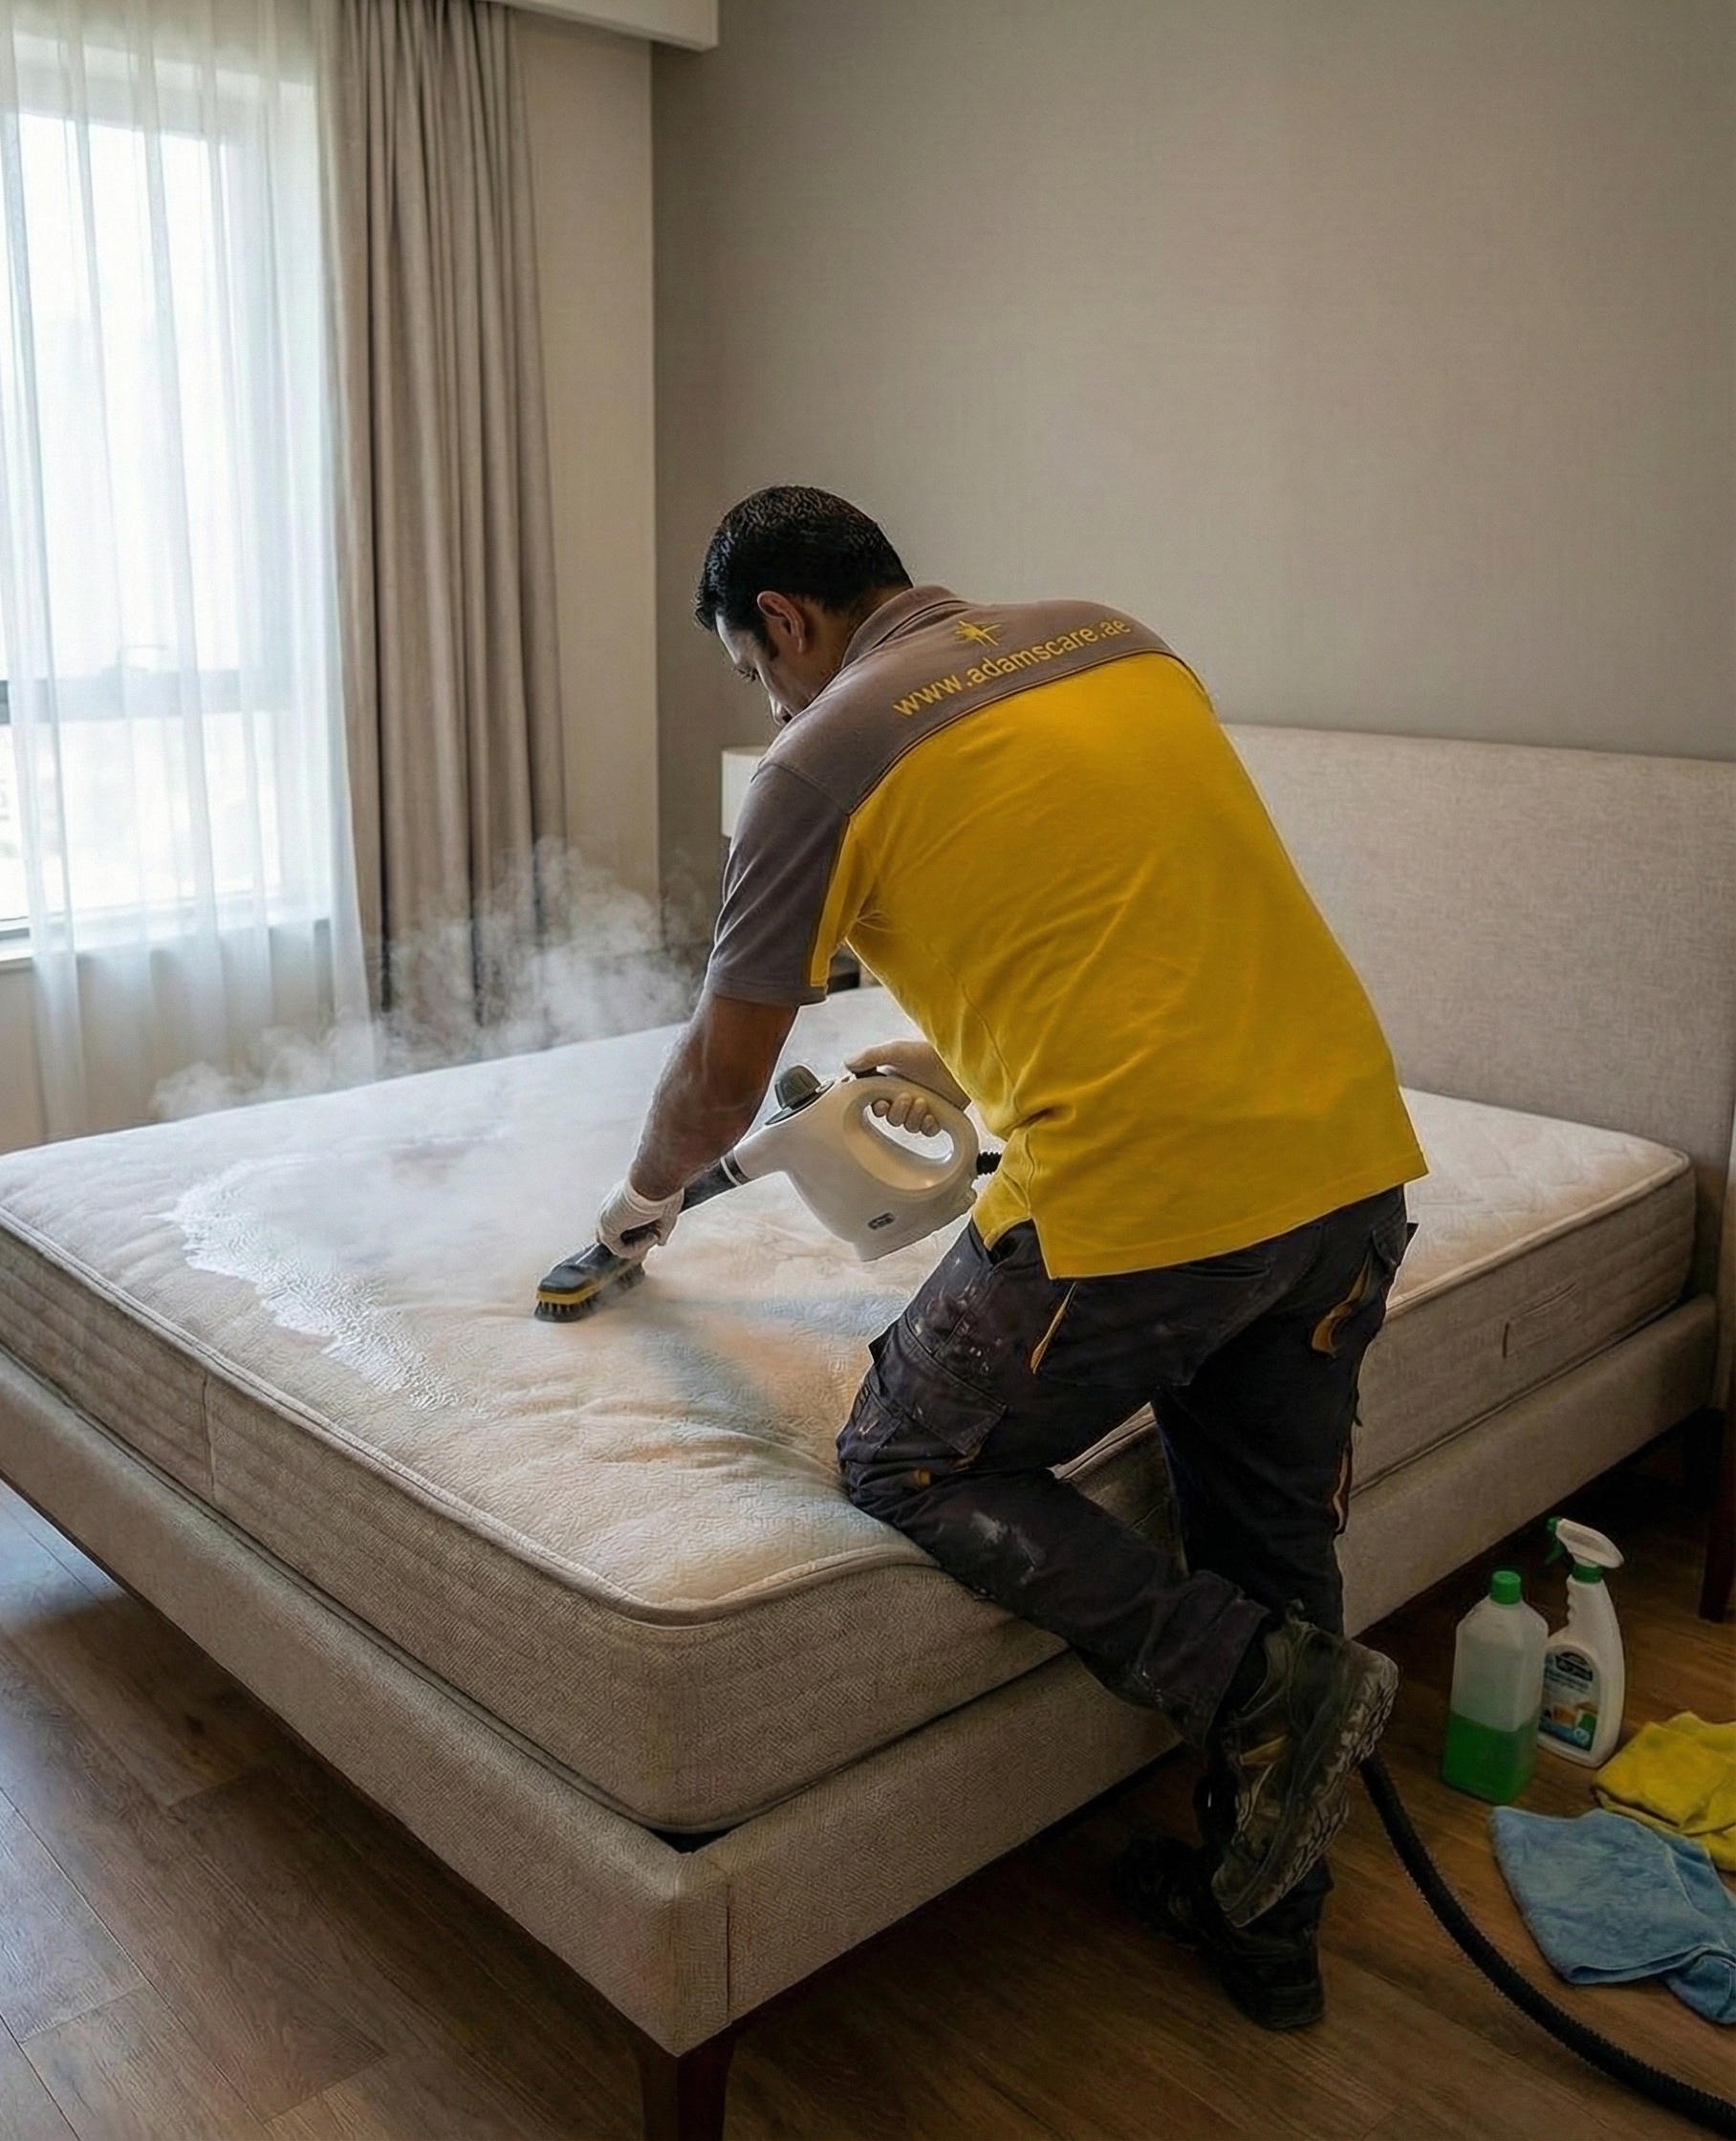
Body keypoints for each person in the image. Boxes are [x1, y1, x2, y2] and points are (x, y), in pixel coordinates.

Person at [597, 485, 1428, 2030]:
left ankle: (1256, 1688)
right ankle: (1269, 1936)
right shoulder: (1119, 643)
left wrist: (635, 1211)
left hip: (1147, 1214)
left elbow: (718, 1083)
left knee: (907, 1455)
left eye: (749, 667)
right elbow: (1123, 925)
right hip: (1347, 1168)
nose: (766, 699)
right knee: (1268, 1542)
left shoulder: (818, 753)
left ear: (784, 622)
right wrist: (963, 1050)